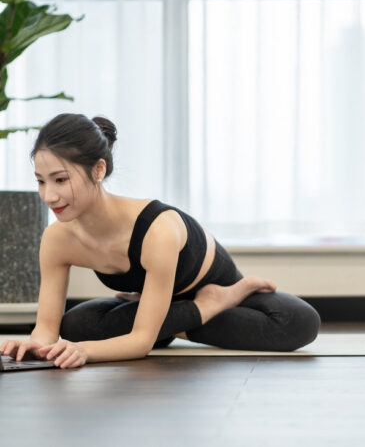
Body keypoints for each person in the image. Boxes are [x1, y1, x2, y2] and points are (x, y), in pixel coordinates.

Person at [0, 114, 321, 369]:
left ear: (98, 170)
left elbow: (140, 343)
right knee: (76, 325)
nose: (49, 196)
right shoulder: (57, 238)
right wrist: (33, 344)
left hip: (215, 285)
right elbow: (46, 329)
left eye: (60, 179)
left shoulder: (156, 229)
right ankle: (186, 314)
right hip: (153, 299)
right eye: (40, 181)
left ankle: (213, 303)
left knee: (299, 322)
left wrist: (84, 351)